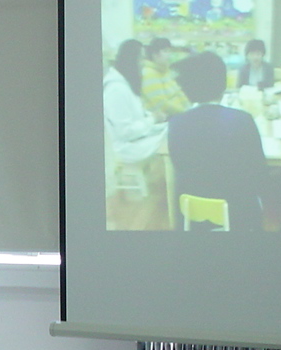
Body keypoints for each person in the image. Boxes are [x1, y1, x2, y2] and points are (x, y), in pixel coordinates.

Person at [167, 50, 267, 231]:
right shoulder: (243, 120)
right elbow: (260, 172)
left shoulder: (176, 123)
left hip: (192, 215)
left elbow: (180, 166)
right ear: (223, 83)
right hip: (239, 213)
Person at [102, 38, 167, 165]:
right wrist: (152, 119)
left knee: (171, 133)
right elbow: (125, 132)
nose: (144, 63)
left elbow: (136, 120)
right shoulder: (116, 90)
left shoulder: (125, 85)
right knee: (171, 142)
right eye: (141, 59)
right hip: (127, 149)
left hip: (136, 141)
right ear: (131, 60)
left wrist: (157, 122)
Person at [139, 37, 190, 119]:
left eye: (170, 51)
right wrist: (185, 113)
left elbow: (179, 93)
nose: (168, 55)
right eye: (165, 51)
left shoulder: (165, 72)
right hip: (164, 121)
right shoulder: (148, 73)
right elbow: (161, 103)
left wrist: (189, 109)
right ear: (154, 54)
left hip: (178, 116)